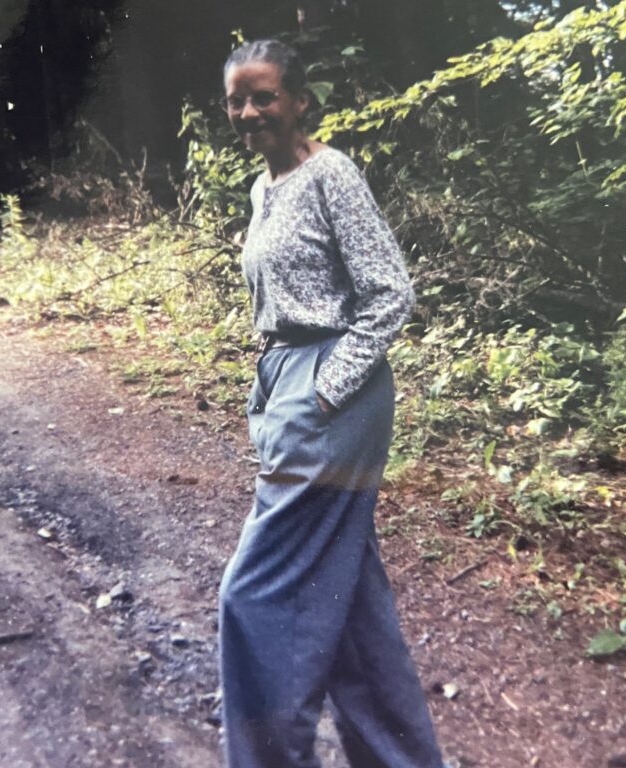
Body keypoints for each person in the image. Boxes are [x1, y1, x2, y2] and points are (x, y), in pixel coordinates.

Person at [217, 39, 446, 768]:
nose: (249, 112)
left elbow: (390, 293)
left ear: (301, 101)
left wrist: (323, 390)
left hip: (331, 396)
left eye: (264, 97)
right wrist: (275, 390)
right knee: (347, 600)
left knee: (253, 600)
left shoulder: (331, 174)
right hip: (287, 384)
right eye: (237, 100)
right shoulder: (263, 189)